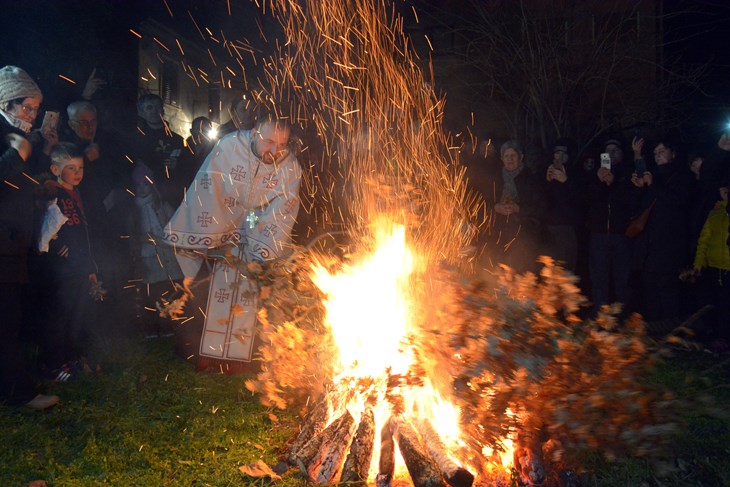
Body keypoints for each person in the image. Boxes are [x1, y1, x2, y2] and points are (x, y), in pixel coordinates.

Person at [162, 109, 302, 373]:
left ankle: (239, 359)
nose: (274, 150)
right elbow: (209, 187)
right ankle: (199, 354)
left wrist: (260, 247)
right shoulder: (229, 147)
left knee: (247, 293)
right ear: (254, 133)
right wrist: (218, 236)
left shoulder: (290, 166)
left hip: (254, 231)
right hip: (218, 226)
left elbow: (282, 208)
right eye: (268, 142)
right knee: (206, 291)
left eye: (281, 145)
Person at [0, 65, 59, 409]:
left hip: (12, 242)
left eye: (36, 109)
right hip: (2, 243)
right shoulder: (9, 136)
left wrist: (39, 183)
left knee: (11, 319)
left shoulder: (18, 135)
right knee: (7, 322)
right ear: (7, 103)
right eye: (27, 108)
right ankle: (19, 394)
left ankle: (14, 387)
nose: (33, 116)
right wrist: (16, 153)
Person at [38, 142, 102, 379]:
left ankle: (70, 358)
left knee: (76, 315)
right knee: (59, 316)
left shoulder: (74, 195)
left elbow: (80, 233)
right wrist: (57, 246)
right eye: (71, 168)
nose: (77, 173)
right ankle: (52, 364)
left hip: (78, 267)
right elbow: (45, 228)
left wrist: (89, 267)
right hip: (61, 271)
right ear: (56, 169)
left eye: (80, 168)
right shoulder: (52, 193)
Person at [630, 137, 694, 321]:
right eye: (655, 153)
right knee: (650, 292)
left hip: (670, 246)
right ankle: (653, 334)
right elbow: (640, 207)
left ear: (673, 153)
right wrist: (639, 188)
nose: (657, 155)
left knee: (669, 291)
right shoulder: (654, 176)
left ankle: (671, 334)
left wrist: (652, 186)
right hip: (649, 246)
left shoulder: (683, 176)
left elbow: (678, 202)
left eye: (662, 151)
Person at [128, 164, 184, 338]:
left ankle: (169, 325)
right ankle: (151, 328)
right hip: (149, 257)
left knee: (170, 291)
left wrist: (164, 239)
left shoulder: (162, 205)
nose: (142, 188)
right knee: (152, 293)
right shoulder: (134, 211)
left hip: (168, 255)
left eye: (146, 184)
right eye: (139, 185)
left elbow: (177, 227)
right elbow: (131, 235)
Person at [586, 137, 635, 315]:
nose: (612, 154)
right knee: (599, 279)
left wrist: (614, 182)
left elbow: (631, 200)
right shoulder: (594, 174)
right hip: (599, 234)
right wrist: (600, 182)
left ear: (621, 154)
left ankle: (623, 320)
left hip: (621, 235)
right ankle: (600, 318)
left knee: (622, 279)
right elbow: (589, 200)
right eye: (608, 151)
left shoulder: (627, 172)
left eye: (615, 150)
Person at [488, 140, 545, 273]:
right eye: (506, 156)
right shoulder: (496, 179)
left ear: (521, 157)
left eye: (513, 155)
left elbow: (541, 208)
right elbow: (484, 202)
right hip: (500, 235)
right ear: (502, 158)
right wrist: (496, 208)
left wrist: (518, 209)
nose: (510, 159)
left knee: (520, 276)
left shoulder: (532, 179)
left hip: (525, 237)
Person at [130, 94, 186, 206]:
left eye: (157, 107)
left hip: (173, 196)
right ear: (141, 113)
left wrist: (177, 165)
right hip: (146, 197)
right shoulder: (136, 140)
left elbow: (187, 167)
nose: (154, 111)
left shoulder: (177, 140)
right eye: (149, 107)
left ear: (163, 111)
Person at [692, 185, 730, 350]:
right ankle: (720, 337)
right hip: (716, 267)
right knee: (719, 304)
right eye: (722, 190)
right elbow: (704, 239)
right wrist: (699, 263)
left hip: (728, 266)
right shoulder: (715, 213)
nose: (725, 193)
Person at [542, 138, 579, 271]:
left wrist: (566, 182)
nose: (560, 156)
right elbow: (541, 201)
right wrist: (547, 182)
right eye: (558, 152)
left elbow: (580, 201)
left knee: (566, 271)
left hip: (567, 229)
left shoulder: (575, 174)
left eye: (564, 153)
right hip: (548, 229)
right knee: (549, 270)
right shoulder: (545, 171)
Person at [183, 116, 215, 185]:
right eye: (198, 129)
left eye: (204, 129)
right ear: (191, 131)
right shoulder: (183, 150)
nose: (201, 132)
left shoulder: (216, 151)